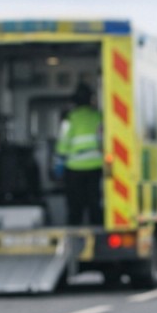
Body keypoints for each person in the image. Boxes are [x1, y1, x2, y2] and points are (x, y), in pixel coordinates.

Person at [54, 82, 103, 225]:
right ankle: (96, 228)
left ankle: (74, 232)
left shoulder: (70, 119)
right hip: (96, 167)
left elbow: (62, 145)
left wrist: (59, 165)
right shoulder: (98, 117)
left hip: (74, 169)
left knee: (75, 206)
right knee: (94, 203)